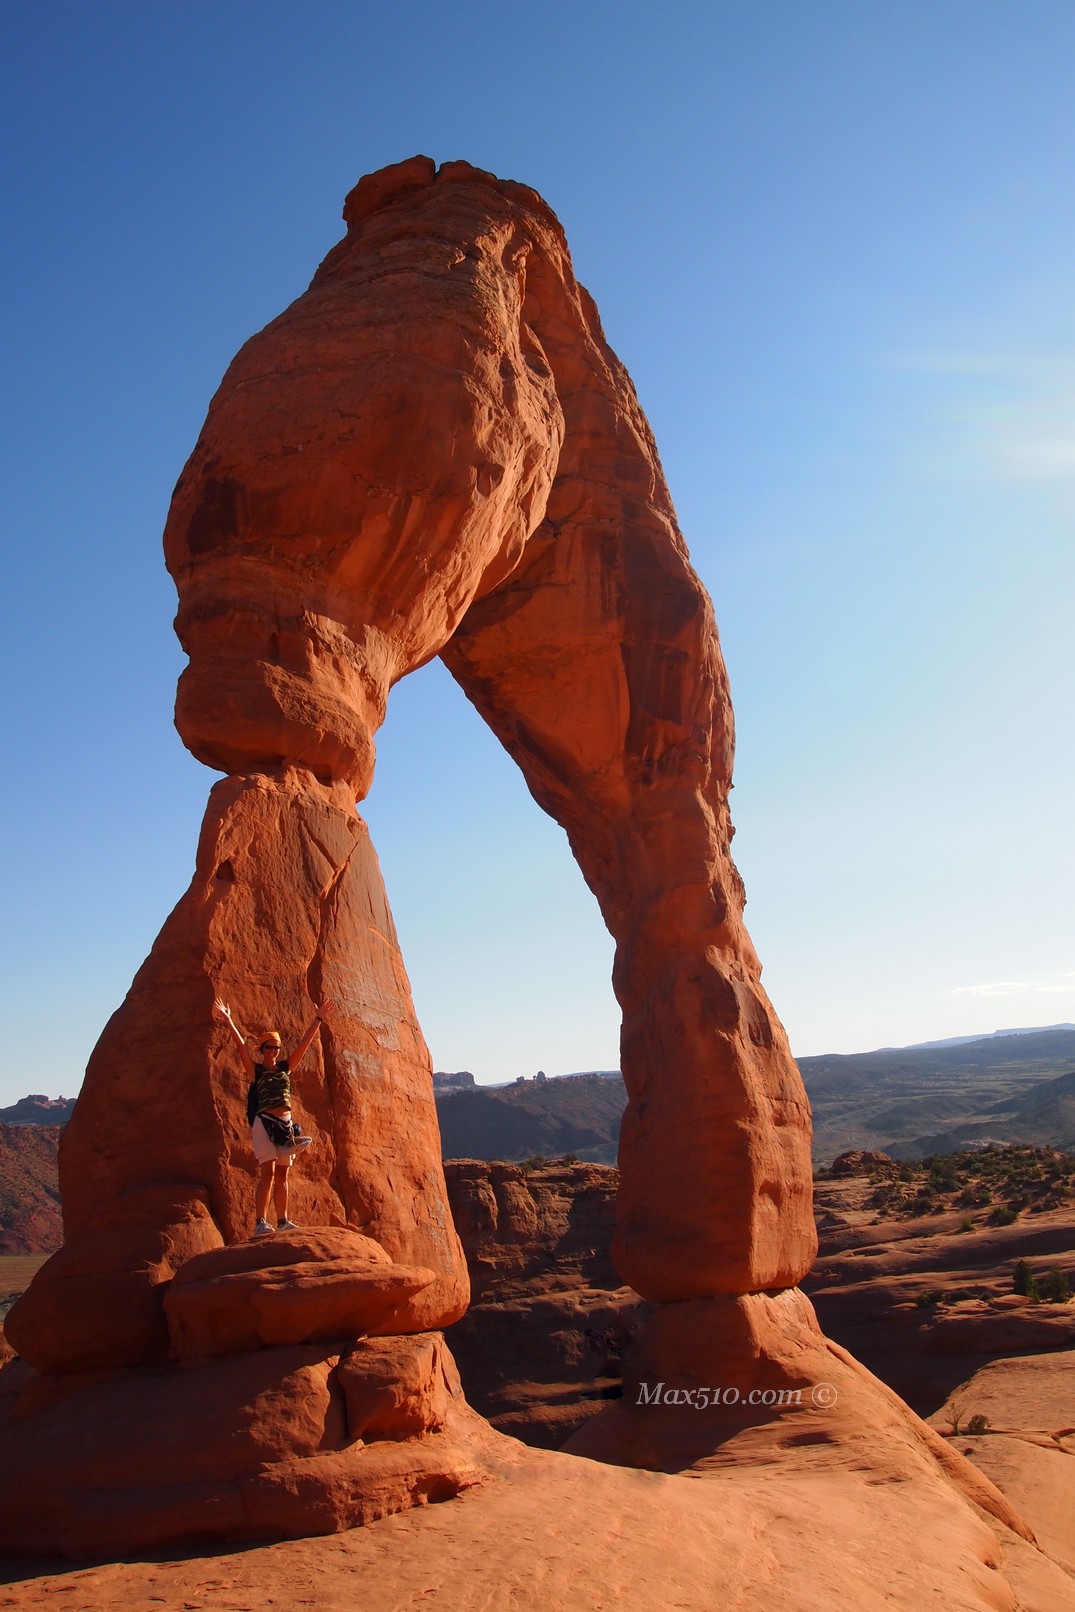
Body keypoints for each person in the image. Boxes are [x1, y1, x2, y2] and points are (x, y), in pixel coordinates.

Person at [214, 996, 336, 1238]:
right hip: (264, 1123)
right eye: (269, 1047)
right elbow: (240, 1045)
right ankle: (260, 1222)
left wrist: (318, 1018)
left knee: (282, 1175)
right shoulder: (256, 1071)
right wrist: (228, 1020)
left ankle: (282, 1221)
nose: (273, 1051)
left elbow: (304, 1044)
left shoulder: (285, 1068)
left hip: (285, 1125)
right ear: (262, 1049)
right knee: (268, 1173)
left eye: (277, 1048)